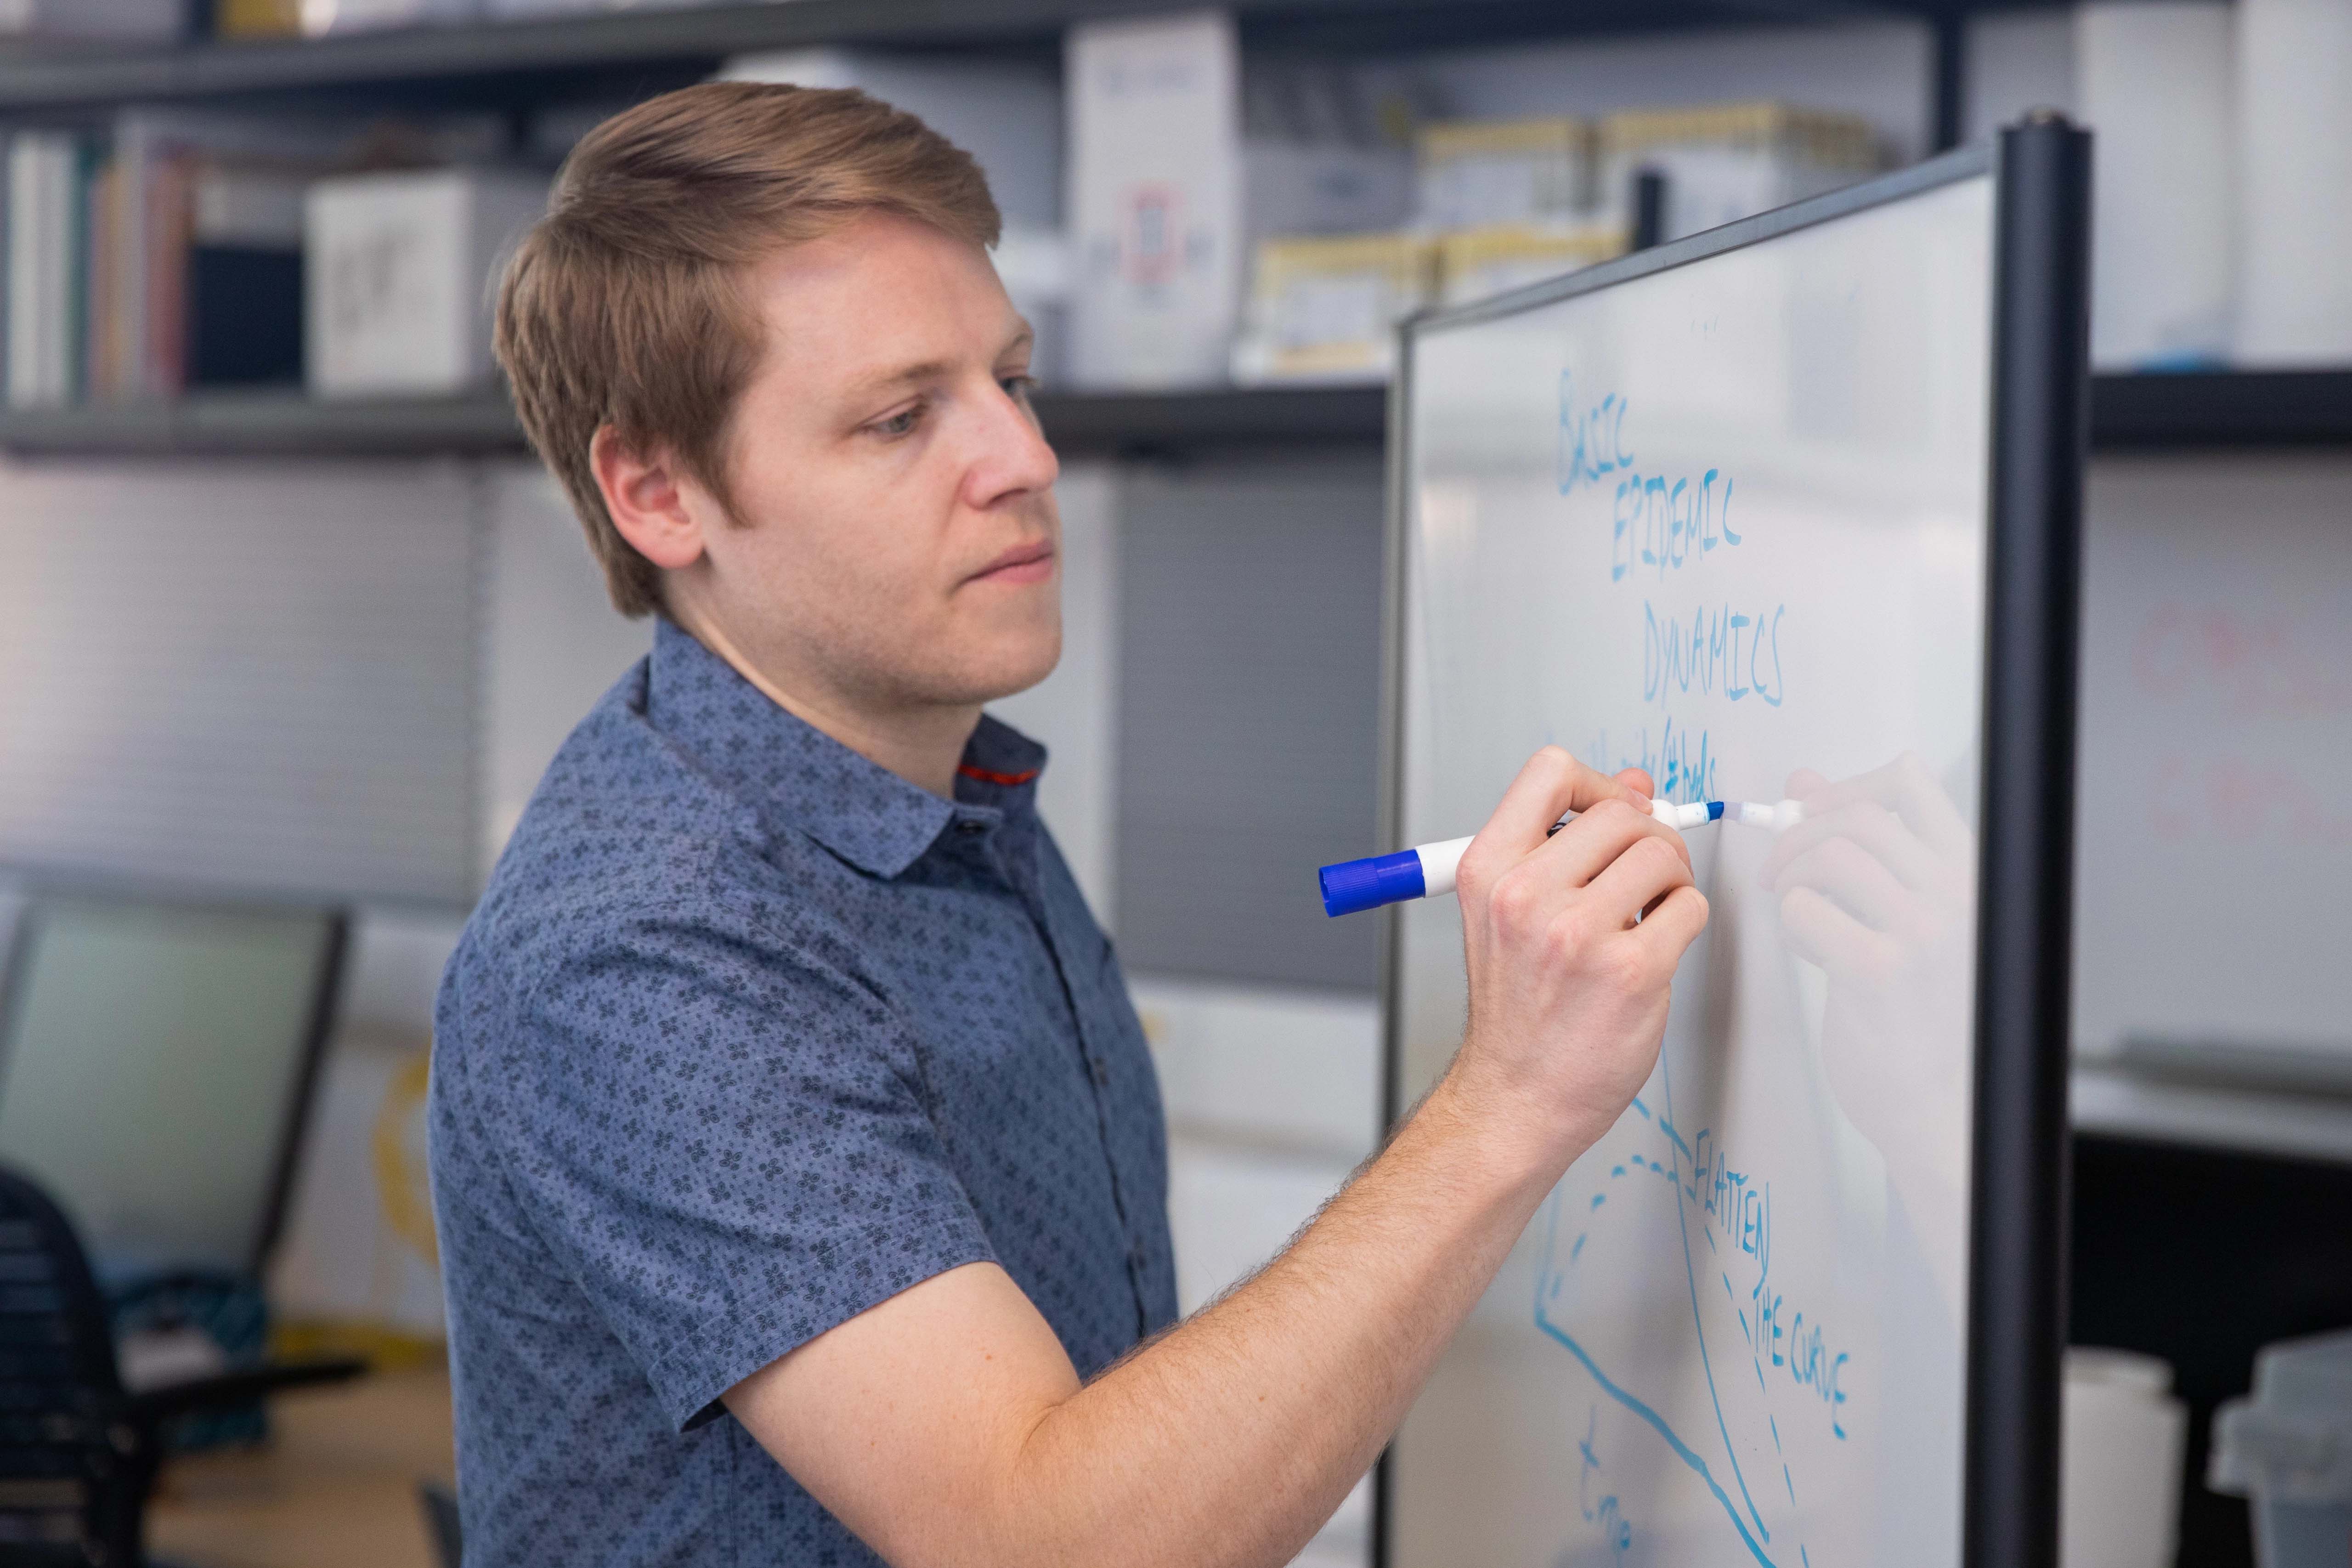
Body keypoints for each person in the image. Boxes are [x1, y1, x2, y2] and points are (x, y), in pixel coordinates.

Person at [429, 80, 1709, 1568]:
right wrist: (1512, 1101)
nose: (1026, 462)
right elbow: (1040, 1542)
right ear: (659, 491)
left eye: (1011, 382)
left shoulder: (943, 798)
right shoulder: (645, 951)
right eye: (903, 417)